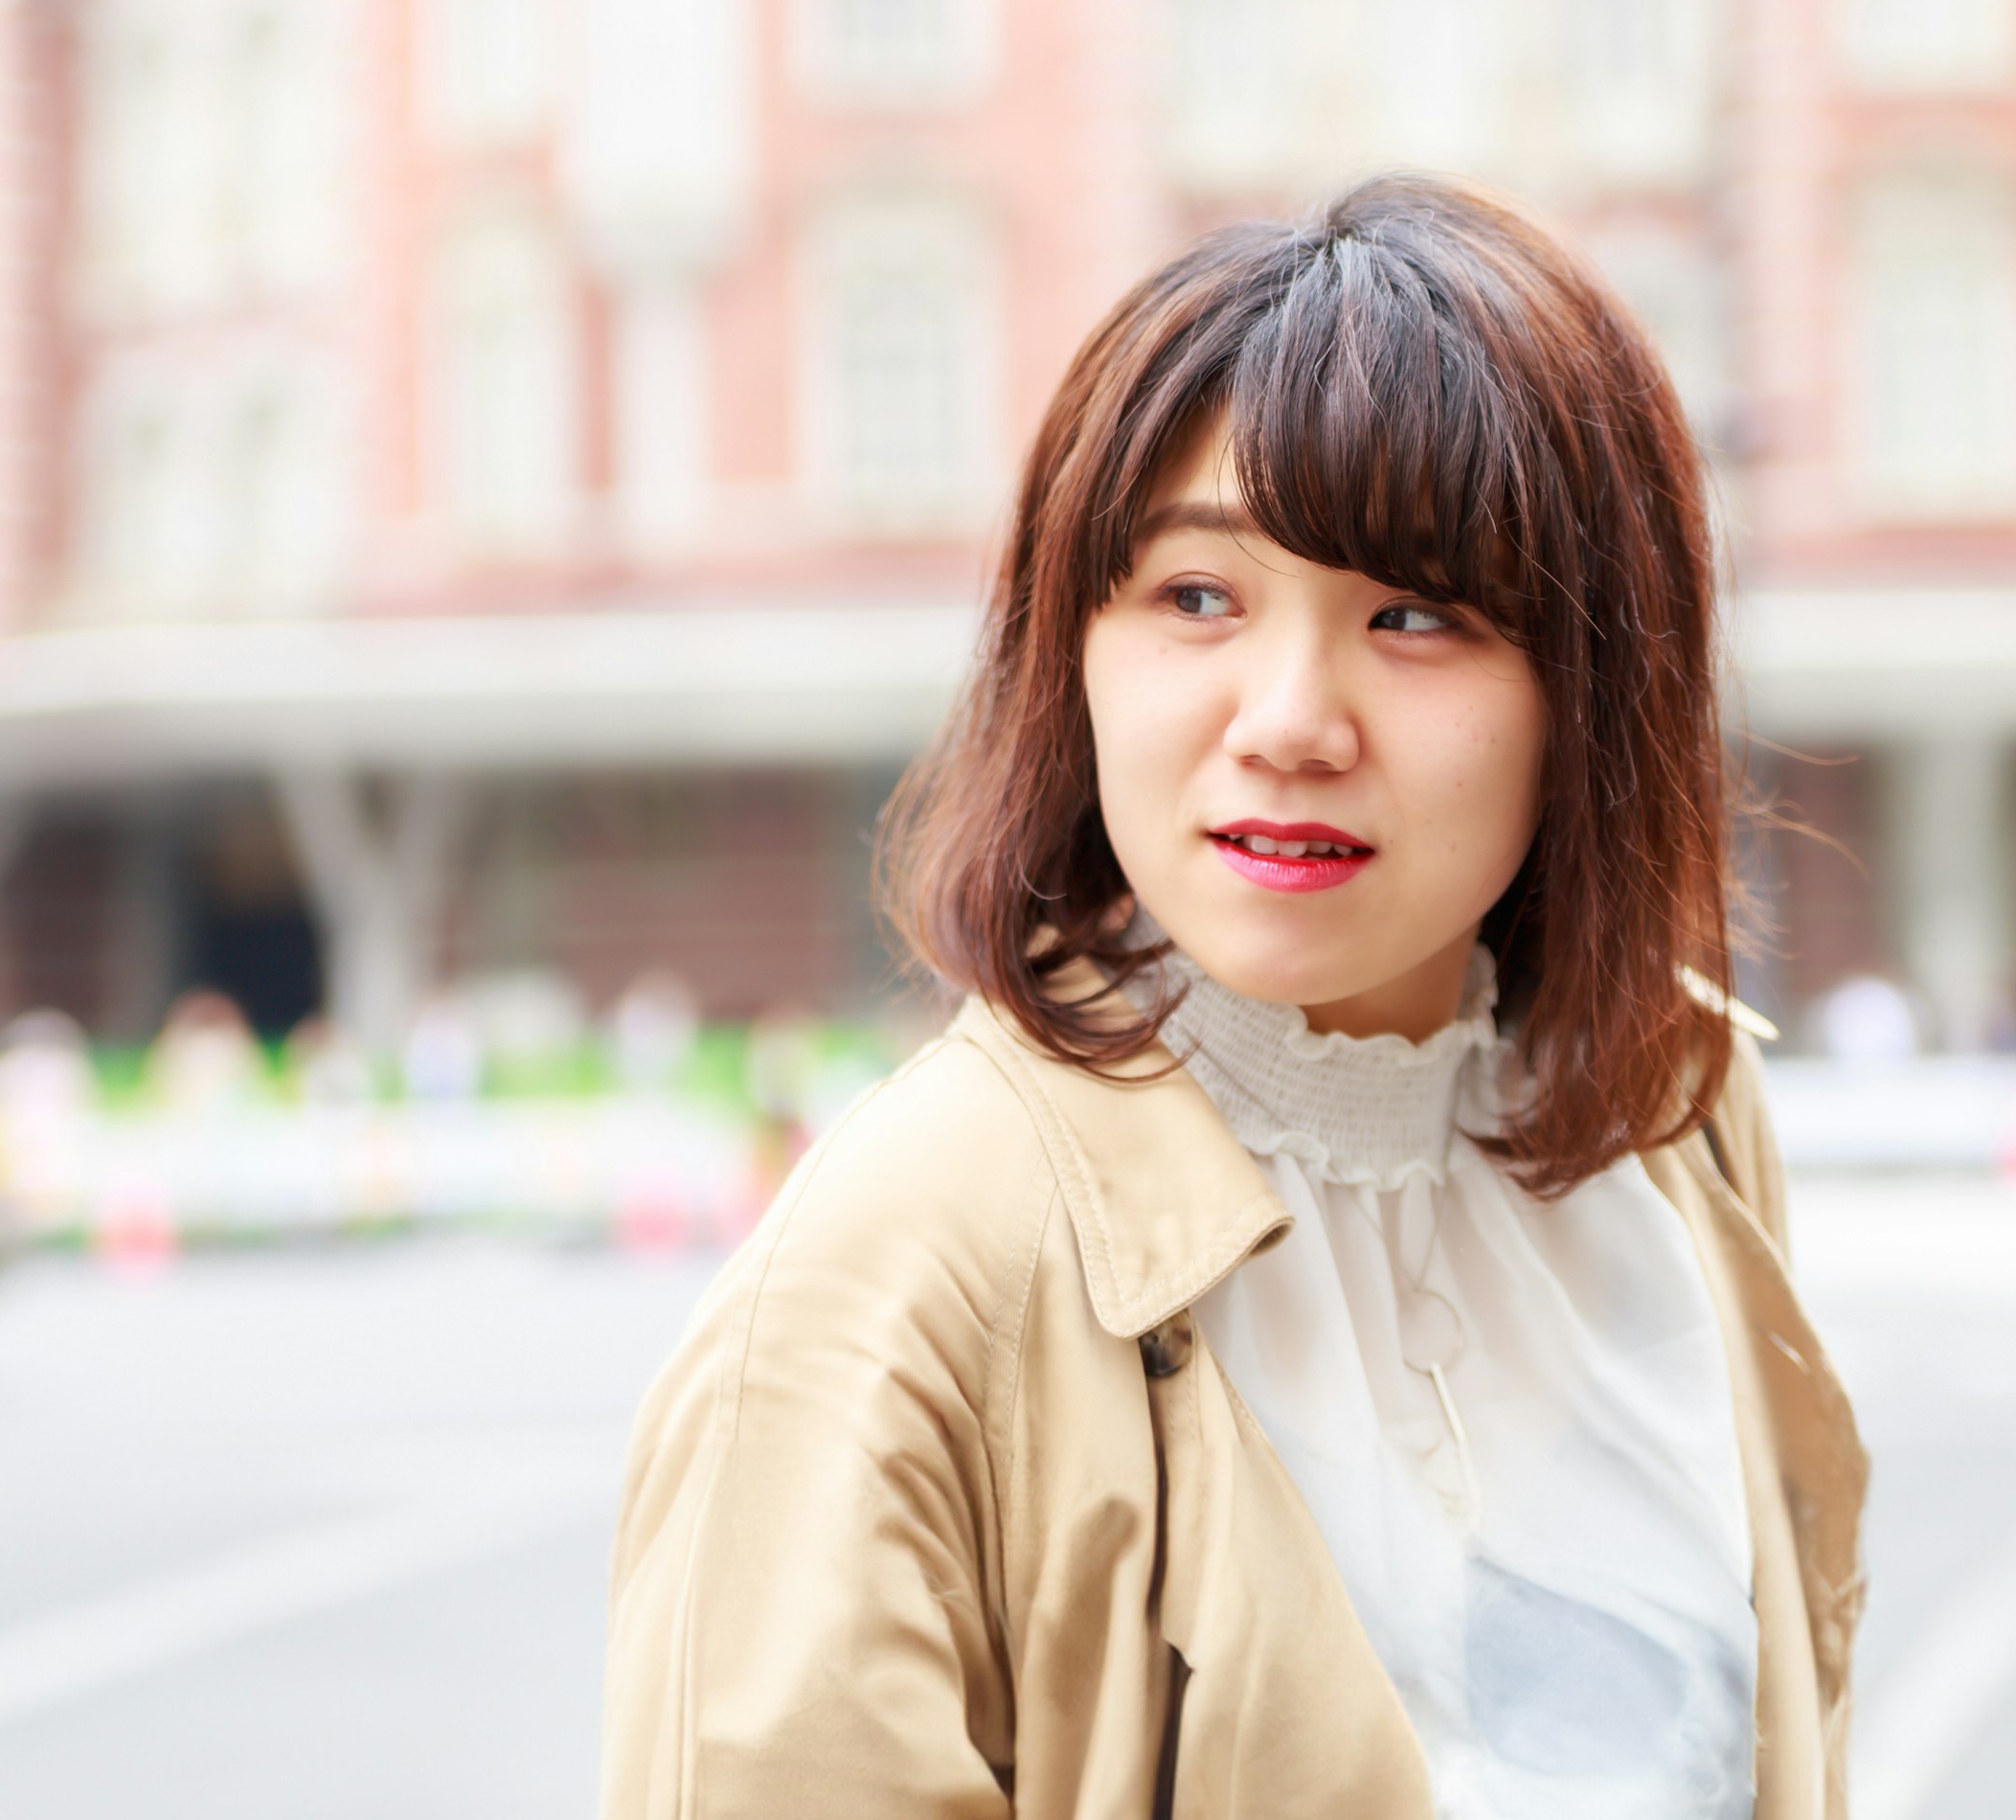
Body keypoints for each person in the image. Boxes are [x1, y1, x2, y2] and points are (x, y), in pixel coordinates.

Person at [603, 179, 1863, 1819]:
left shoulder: (1669, 1106)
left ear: (1591, 691)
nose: (1288, 719)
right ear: (1073, 645)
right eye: (1197, 597)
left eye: (1415, 615)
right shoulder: (904, 1268)